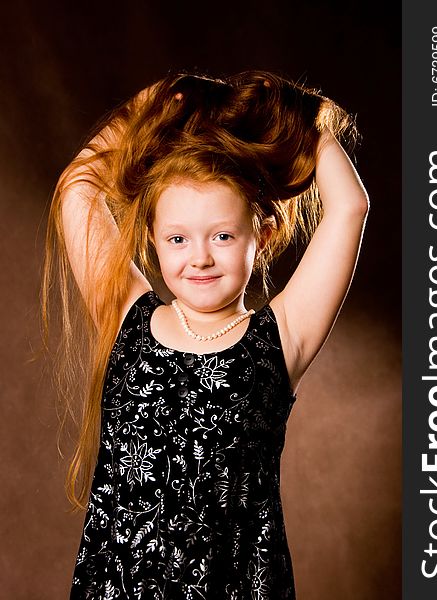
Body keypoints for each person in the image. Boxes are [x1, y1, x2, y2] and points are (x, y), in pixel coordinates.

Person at [41, 69, 369, 599]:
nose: (199, 257)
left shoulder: (280, 338)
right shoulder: (126, 320)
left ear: (261, 237)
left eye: (221, 235)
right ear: (150, 237)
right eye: (177, 238)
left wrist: (292, 114)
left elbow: (349, 207)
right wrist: (155, 102)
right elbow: (78, 187)